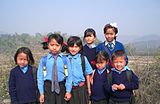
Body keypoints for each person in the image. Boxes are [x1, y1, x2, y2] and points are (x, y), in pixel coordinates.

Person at [37, 34, 72, 104]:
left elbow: (69, 77)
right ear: (48, 45)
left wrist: (68, 91)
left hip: (61, 87)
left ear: (61, 46)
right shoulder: (44, 60)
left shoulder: (65, 59)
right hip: (48, 88)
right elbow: (40, 77)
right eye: (52, 45)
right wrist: (41, 93)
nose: (54, 47)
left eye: (57, 45)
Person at [67, 36, 93, 104]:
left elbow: (87, 75)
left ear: (80, 47)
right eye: (71, 46)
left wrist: (89, 89)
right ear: (68, 47)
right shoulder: (65, 59)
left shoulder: (83, 59)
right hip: (69, 89)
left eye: (76, 47)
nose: (73, 49)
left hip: (81, 88)